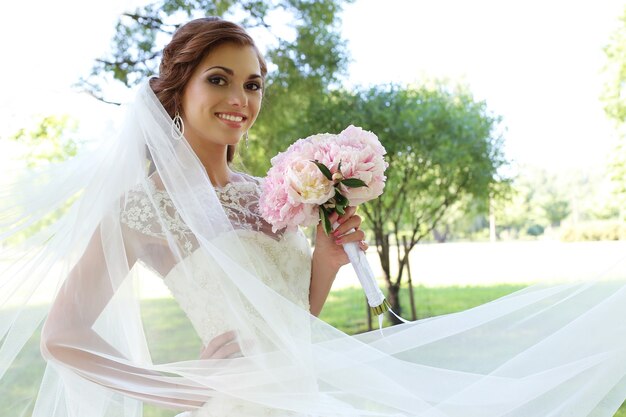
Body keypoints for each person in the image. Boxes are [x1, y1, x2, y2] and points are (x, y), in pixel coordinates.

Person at [2, 16, 626, 417]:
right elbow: (61, 335)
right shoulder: (144, 205)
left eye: (253, 84)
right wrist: (176, 386)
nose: (240, 99)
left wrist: (325, 261)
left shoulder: (263, 193)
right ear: (178, 89)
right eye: (220, 79)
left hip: (303, 396)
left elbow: (290, 321)